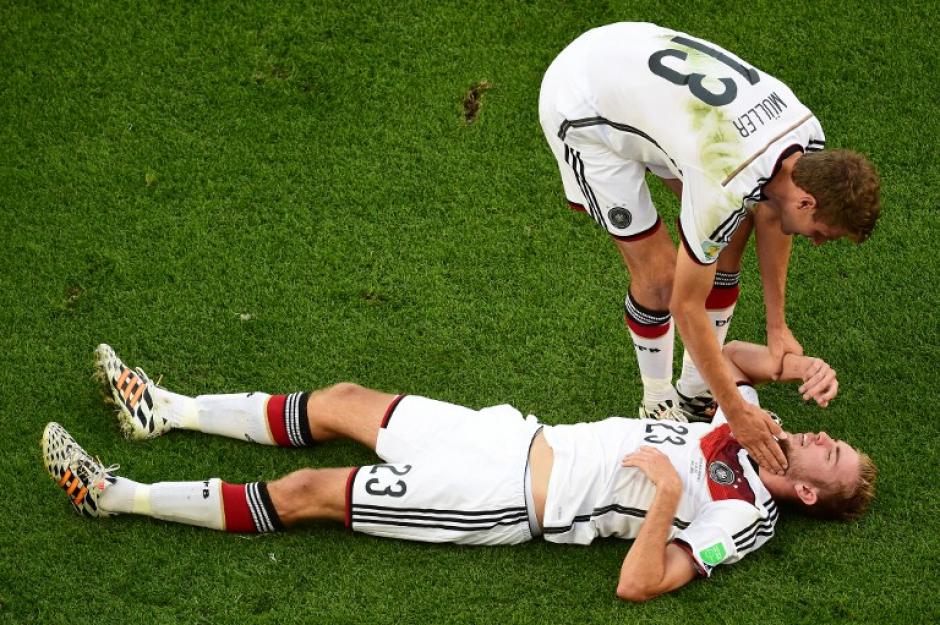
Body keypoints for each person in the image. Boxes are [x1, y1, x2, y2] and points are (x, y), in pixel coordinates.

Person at [42, 342, 874, 602]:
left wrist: (662, 493)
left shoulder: (745, 521)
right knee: (341, 399)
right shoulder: (744, 421)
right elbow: (717, 354)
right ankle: (166, 408)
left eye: (826, 453)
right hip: (504, 435)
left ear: (805, 491)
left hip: (498, 497)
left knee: (310, 494)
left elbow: (640, 585)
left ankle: (117, 497)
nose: (818, 435)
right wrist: (785, 366)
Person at [538, 22, 881, 474]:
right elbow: (686, 304)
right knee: (662, 279)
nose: (817, 242)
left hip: (634, 68)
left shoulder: (807, 139)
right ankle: (657, 404)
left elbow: (772, 213)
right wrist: (737, 411)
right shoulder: (728, 179)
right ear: (808, 200)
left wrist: (778, 327)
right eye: (824, 232)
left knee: (730, 233)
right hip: (584, 103)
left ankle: (698, 391)